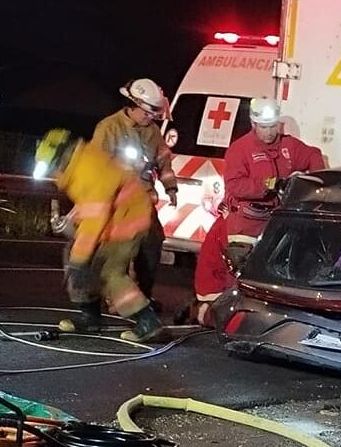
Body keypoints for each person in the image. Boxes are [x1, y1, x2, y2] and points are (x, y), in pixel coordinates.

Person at [191, 98, 325, 324]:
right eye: (264, 127)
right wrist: (270, 184)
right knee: (242, 266)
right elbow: (235, 185)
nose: (270, 132)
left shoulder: (288, 147)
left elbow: (313, 155)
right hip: (245, 220)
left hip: (274, 219)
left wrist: (314, 183)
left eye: (273, 126)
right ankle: (220, 315)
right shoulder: (240, 150)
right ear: (253, 124)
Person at [34, 129, 163, 343]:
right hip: (117, 218)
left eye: (54, 165)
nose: (54, 171)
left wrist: (79, 258)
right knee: (85, 264)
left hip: (126, 222)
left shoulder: (87, 170)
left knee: (108, 271)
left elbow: (95, 218)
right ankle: (90, 318)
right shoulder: (81, 164)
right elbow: (92, 205)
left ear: (63, 156)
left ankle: (148, 323)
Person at [91, 78, 177, 307]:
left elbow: (163, 161)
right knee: (116, 254)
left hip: (143, 202)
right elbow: (96, 166)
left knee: (151, 245)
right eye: (147, 112)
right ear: (132, 104)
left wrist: (171, 187)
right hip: (116, 203)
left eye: (153, 114)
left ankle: (144, 295)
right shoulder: (109, 128)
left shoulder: (153, 132)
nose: (150, 118)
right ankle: (109, 297)